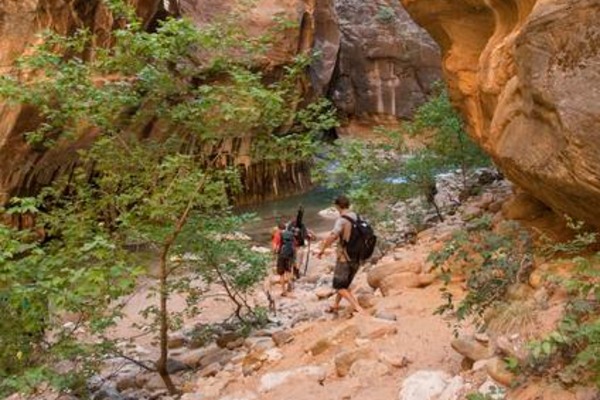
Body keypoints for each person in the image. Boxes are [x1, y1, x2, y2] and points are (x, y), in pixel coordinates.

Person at [316, 195, 365, 315]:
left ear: (337, 206)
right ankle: (336, 305)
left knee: (339, 286)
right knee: (345, 284)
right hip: (358, 255)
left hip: (345, 256)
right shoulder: (358, 217)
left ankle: (357, 307)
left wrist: (322, 249)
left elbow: (333, 236)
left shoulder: (342, 220)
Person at [272, 221, 295, 296]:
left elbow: (275, 247)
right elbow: (294, 245)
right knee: (288, 271)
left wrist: (273, 254)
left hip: (281, 255)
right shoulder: (290, 234)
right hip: (289, 255)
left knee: (281, 273)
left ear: (278, 228)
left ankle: (284, 291)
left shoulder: (278, 234)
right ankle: (290, 284)